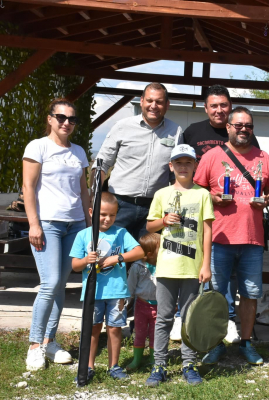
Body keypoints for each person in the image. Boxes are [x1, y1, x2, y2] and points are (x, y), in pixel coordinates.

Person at [194, 107, 269, 366]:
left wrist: (267, 200)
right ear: (227, 127)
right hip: (219, 238)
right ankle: (216, 343)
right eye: (238, 125)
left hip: (252, 239)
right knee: (216, 295)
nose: (243, 129)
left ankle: (246, 342)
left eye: (248, 126)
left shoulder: (263, 157)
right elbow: (197, 189)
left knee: (250, 295)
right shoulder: (212, 156)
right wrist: (213, 196)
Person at [182, 84, 259, 344]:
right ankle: (211, 332)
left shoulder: (249, 138)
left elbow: (263, 180)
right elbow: (192, 181)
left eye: (223, 105)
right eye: (213, 105)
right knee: (213, 285)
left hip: (249, 232)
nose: (219, 110)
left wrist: (267, 198)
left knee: (246, 288)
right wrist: (209, 199)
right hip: (214, 228)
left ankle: (239, 331)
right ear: (206, 108)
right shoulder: (193, 132)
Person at [23, 98, 90, 371]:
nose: (66, 123)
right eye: (61, 117)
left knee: (61, 285)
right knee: (50, 283)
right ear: (50, 118)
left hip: (74, 225)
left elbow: (84, 190)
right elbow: (28, 187)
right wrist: (34, 224)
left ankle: (50, 341)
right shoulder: (38, 146)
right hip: (47, 224)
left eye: (72, 119)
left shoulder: (79, 152)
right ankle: (35, 345)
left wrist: (88, 225)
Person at [144, 144, 214, 386]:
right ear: (171, 166)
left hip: (192, 268)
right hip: (166, 267)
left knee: (189, 319)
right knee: (163, 318)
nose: (183, 167)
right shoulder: (162, 194)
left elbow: (207, 231)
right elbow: (149, 226)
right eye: (179, 163)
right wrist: (163, 220)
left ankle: (188, 364)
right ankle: (159, 365)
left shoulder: (202, 194)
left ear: (195, 165)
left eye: (188, 162)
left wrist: (206, 264)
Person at [70, 192, 145, 381]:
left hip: (117, 291)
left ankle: (114, 366)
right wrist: (87, 260)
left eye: (112, 215)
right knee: (92, 329)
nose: (107, 219)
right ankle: (88, 366)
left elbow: (139, 251)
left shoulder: (121, 233)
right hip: (92, 292)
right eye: (103, 214)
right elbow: (75, 265)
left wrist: (117, 257)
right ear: (91, 212)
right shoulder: (83, 235)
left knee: (114, 329)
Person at [93, 82, 182, 239]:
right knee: (110, 253)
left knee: (146, 259)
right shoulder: (122, 127)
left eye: (159, 101)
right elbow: (101, 164)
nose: (153, 105)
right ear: (142, 101)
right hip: (119, 206)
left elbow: (175, 174)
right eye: (149, 100)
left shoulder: (176, 131)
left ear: (167, 105)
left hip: (154, 209)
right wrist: (95, 199)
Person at [126, 232, 160, 371]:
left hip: (159, 306)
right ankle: (136, 360)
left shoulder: (164, 265)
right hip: (141, 305)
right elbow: (130, 287)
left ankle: (154, 360)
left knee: (156, 334)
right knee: (139, 333)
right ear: (151, 253)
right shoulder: (137, 267)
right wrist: (125, 302)